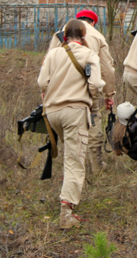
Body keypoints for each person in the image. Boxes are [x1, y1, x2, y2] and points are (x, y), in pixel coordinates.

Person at [38, 19, 105, 229]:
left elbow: (42, 82)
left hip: (53, 112)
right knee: (75, 160)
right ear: (84, 36)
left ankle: (68, 194)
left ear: (64, 35)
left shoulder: (53, 54)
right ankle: (66, 211)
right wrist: (91, 94)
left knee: (70, 154)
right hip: (75, 111)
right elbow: (95, 84)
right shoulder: (88, 54)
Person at [48, 10, 116, 173]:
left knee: (67, 126)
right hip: (87, 90)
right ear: (93, 22)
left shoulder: (59, 33)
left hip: (60, 91)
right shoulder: (97, 36)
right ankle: (96, 165)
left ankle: (73, 167)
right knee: (93, 122)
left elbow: (48, 62)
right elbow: (107, 69)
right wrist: (109, 94)